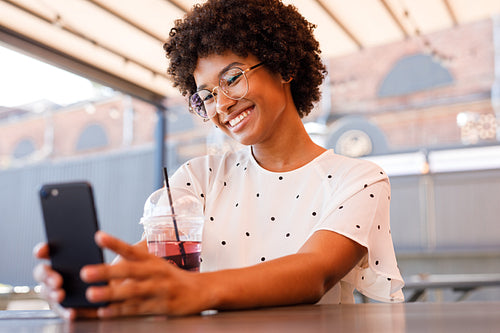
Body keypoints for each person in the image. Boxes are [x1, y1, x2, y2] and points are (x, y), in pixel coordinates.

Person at [33, 0, 404, 319]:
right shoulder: (197, 178)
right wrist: (100, 295)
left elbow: (314, 274)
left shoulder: (358, 179)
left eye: (232, 78)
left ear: (285, 66)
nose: (222, 104)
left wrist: (197, 291)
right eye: (206, 95)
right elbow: (143, 272)